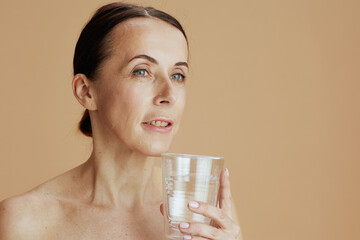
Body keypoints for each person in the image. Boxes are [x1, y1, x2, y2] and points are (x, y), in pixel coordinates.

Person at [0, 2, 242, 239]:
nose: (169, 95)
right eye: (142, 71)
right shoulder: (22, 222)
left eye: (177, 75)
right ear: (86, 91)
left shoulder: (199, 212)